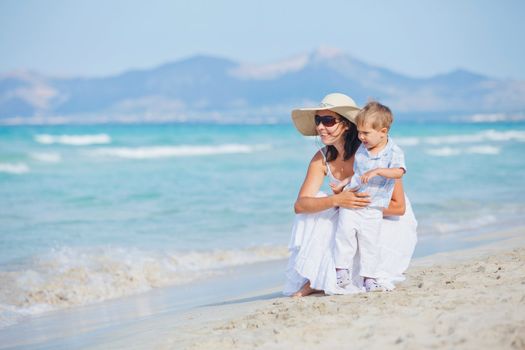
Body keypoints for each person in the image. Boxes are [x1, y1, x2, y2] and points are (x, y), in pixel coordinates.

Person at [283, 93, 417, 297]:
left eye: (328, 120)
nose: (320, 127)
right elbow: (300, 205)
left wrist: (357, 204)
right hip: (349, 217)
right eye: (318, 120)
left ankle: (321, 280)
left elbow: (399, 207)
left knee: (341, 219)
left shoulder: (374, 153)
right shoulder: (322, 158)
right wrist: (336, 200)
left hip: (384, 217)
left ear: (346, 124)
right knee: (320, 205)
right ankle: (317, 278)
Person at [330, 101, 406, 292]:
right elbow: (357, 175)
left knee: (370, 243)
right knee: (344, 234)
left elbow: (399, 172)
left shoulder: (393, 151)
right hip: (353, 202)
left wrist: (379, 171)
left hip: (373, 207)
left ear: (383, 131)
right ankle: (341, 270)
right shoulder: (362, 150)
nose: (360, 137)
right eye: (359, 132)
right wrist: (343, 183)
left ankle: (370, 279)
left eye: (365, 133)